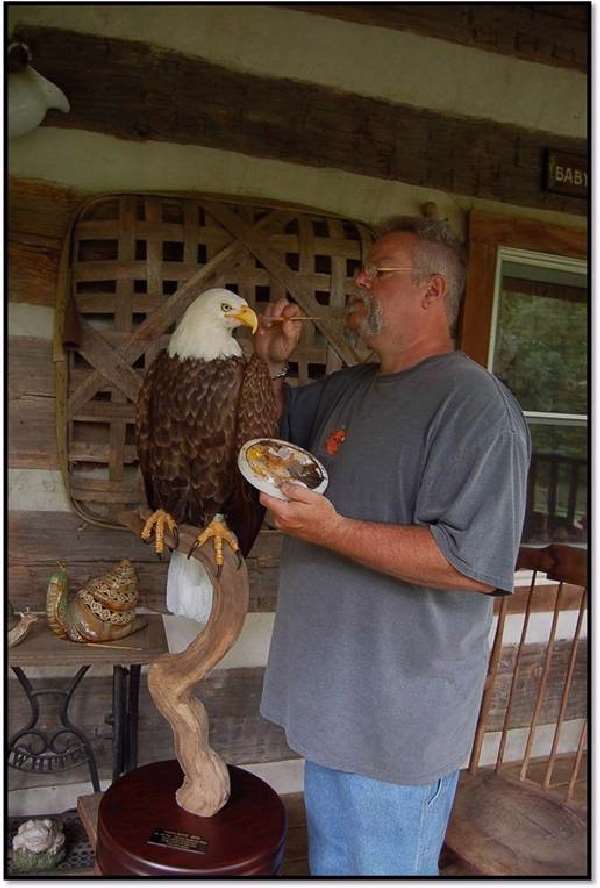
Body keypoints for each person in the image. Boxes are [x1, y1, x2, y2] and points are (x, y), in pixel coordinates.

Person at [253, 217, 531, 876]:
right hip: (332, 699)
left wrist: (335, 531)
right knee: (338, 864)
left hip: (396, 718)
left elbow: (472, 565)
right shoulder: (348, 390)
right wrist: (267, 365)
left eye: (378, 271)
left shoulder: (475, 407)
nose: (358, 281)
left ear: (433, 292)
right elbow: (268, 434)